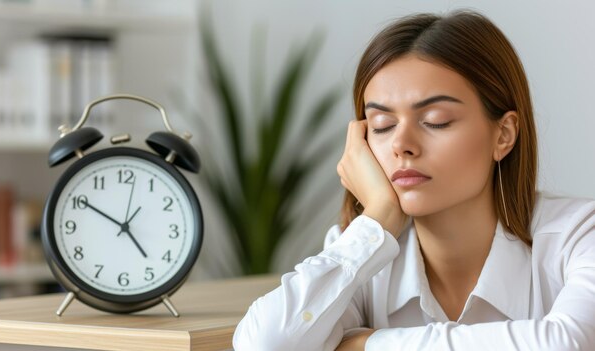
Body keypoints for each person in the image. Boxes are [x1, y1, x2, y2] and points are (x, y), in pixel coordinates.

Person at [232, 9, 595, 351]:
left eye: (436, 120)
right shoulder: (362, 250)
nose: (402, 144)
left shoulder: (579, 236)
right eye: (382, 126)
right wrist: (377, 219)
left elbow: (568, 343)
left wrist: (369, 344)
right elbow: (262, 344)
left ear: (503, 135)